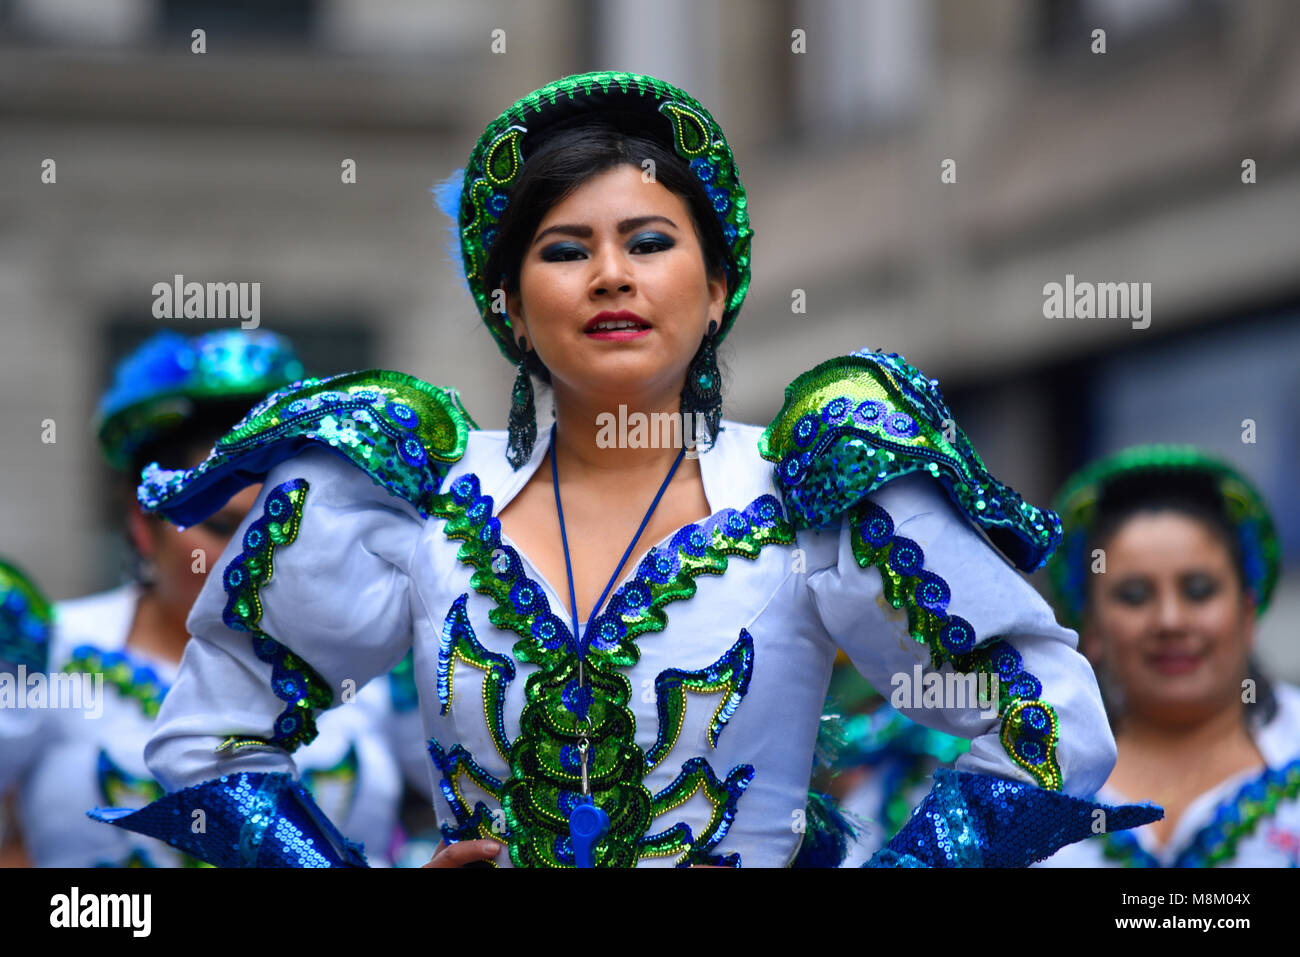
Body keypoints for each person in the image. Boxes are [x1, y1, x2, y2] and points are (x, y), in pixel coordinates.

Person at [92, 70, 1159, 868]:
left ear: (718, 285)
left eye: (649, 241)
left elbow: (1049, 729)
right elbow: (207, 745)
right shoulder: (404, 498)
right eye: (563, 250)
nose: (610, 276)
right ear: (509, 304)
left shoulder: (810, 492)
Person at [0, 330, 409, 867]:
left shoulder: (381, 656)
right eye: (220, 527)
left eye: (286, 524)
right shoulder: (43, 656)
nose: (255, 557)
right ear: (142, 525)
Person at [1036, 445, 1298, 867]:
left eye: (1199, 590)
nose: (1170, 621)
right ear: (1094, 629)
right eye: (1134, 596)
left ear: (1246, 613)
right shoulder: (1028, 784)